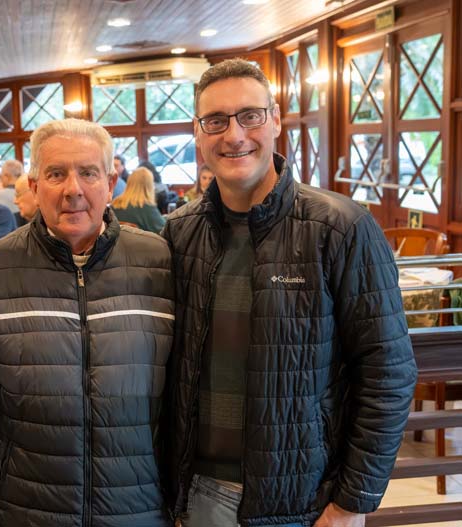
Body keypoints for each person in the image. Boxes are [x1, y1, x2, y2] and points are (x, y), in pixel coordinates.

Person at [161, 58, 416, 527]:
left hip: (304, 501)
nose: (234, 135)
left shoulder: (339, 228)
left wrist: (351, 502)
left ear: (276, 120)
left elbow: (388, 372)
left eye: (250, 116)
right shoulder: (178, 233)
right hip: (195, 495)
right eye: (215, 120)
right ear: (197, 132)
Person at [0, 118, 174, 527]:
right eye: (56, 174)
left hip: (138, 508)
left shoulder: (159, 263)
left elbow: (181, 394)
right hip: (24, 508)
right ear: (34, 186)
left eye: (88, 173)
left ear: (111, 183)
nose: (73, 189)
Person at [111, 166, 165, 233]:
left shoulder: (115, 203)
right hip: (142, 240)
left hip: (117, 240)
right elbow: (164, 230)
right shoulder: (146, 207)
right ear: (149, 185)